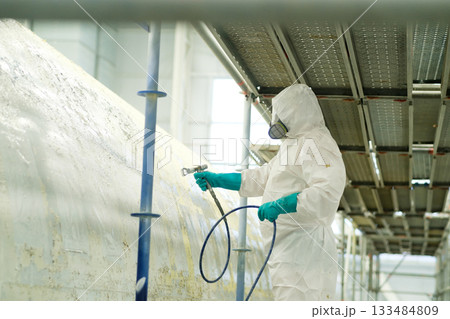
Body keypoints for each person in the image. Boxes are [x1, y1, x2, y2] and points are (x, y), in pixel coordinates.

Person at [194, 84, 346, 301]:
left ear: (297, 112)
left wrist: (282, 205)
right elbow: (265, 177)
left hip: (305, 247)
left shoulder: (317, 143)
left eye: (281, 115)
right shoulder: (293, 144)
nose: (276, 121)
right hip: (286, 246)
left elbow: (328, 192)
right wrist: (218, 179)